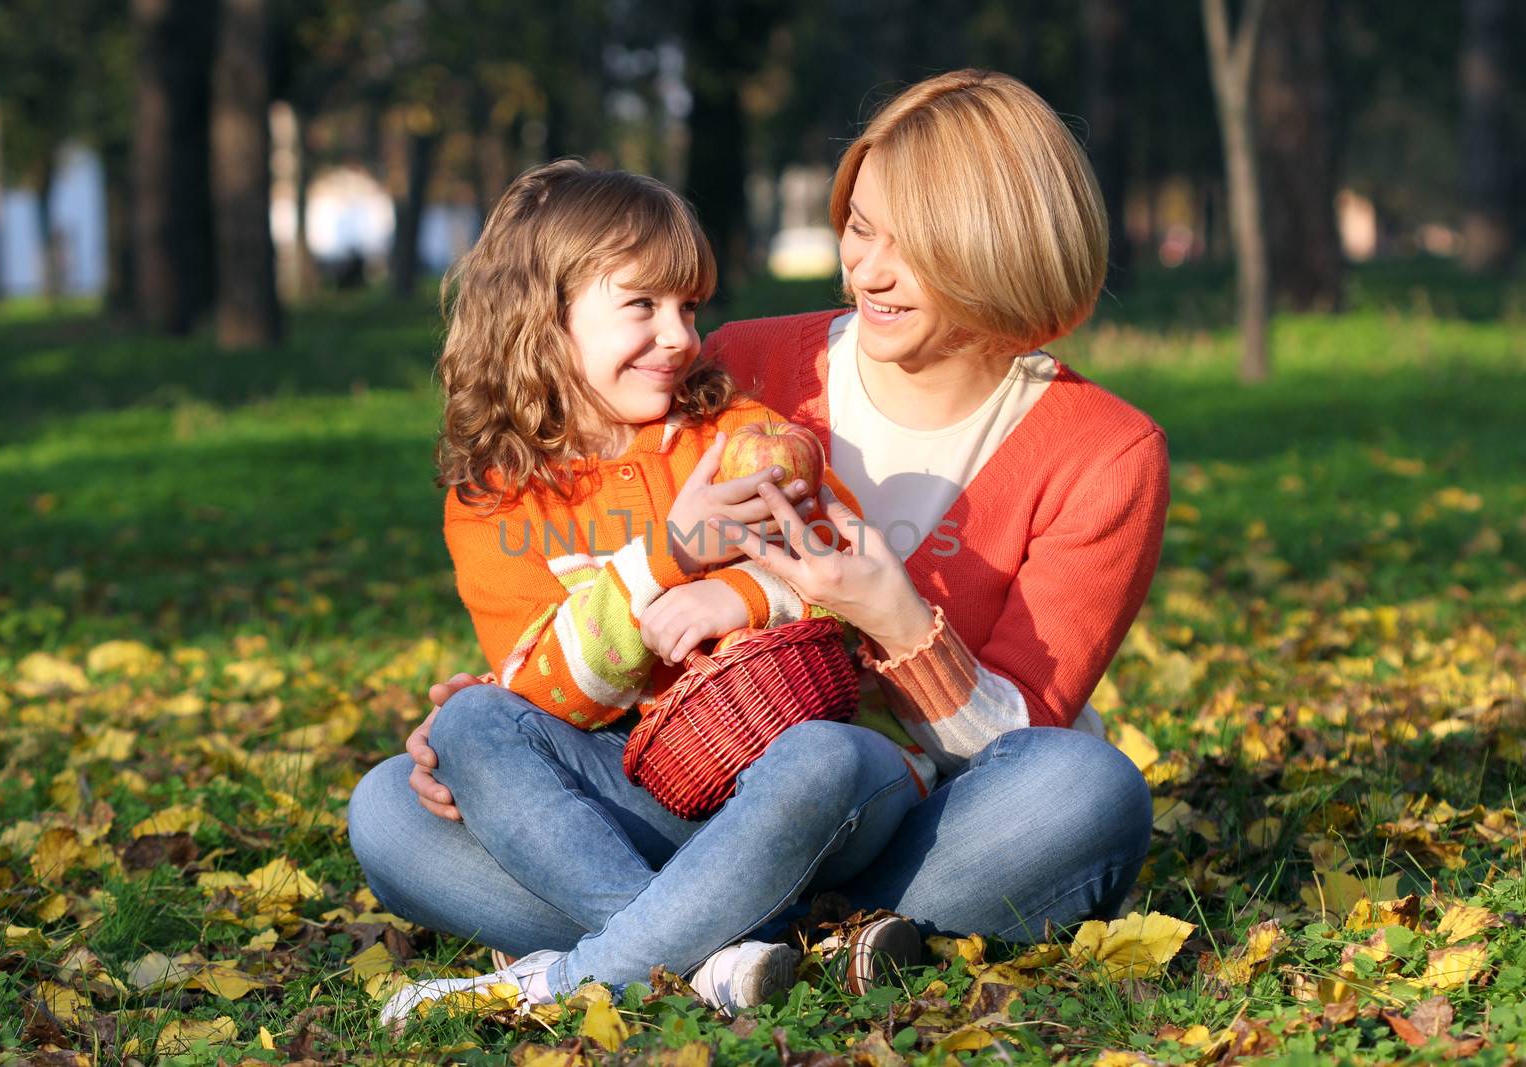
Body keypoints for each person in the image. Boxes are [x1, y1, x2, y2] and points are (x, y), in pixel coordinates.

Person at [353, 68, 1165, 1024]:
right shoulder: (742, 366)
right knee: (393, 812)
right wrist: (494, 715)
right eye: (860, 229)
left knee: (1082, 790)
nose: (868, 271)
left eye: (918, 247)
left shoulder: (1104, 453)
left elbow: (1022, 743)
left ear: (1003, 248)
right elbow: (598, 525)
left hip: (912, 810)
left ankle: (640, 948)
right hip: (686, 794)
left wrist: (892, 614)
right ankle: (781, 944)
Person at [359, 158, 929, 1027]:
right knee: (448, 746)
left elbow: (843, 576)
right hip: (628, 806)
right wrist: (669, 554)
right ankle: (745, 940)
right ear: (542, 318)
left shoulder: (729, 436)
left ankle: (562, 979)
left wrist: (739, 593)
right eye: (643, 306)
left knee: (838, 756)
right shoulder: (494, 499)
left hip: (784, 797)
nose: (680, 336)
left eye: (689, 307)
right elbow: (546, 690)